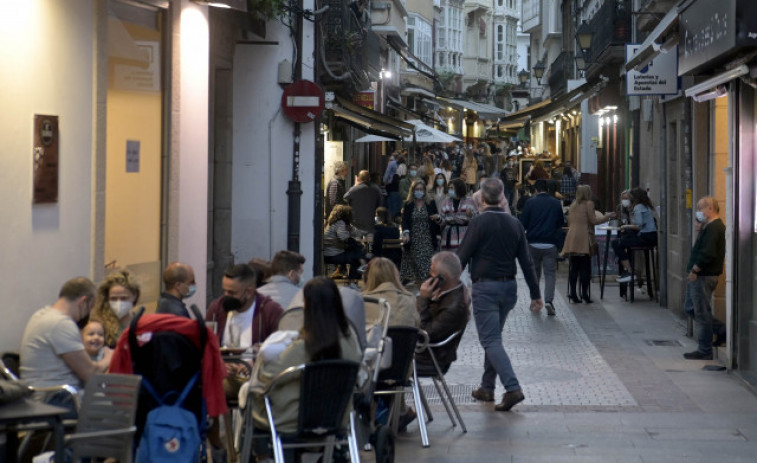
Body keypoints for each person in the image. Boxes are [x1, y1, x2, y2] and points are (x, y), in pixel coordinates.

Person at [248, 277, 362, 460]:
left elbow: (269, 376)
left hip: (292, 420)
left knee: (249, 396)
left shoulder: (302, 347)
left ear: (306, 305)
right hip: (336, 418)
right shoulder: (351, 343)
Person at [456, 178, 543, 411]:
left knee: (490, 340)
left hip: (486, 288)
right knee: (494, 337)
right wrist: (536, 294)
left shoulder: (478, 223)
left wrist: (445, 283)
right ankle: (487, 387)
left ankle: (512, 388)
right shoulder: (514, 224)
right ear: (502, 196)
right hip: (509, 289)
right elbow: (527, 262)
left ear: (481, 198)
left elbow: (462, 256)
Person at [205, 263, 284, 460]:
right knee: (207, 387)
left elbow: (282, 348)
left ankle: (256, 450)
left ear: (249, 291)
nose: (226, 296)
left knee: (254, 393)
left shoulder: (270, 311)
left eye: (232, 292)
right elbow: (206, 347)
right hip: (224, 377)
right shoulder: (217, 309)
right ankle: (219, 447)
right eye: (224, 290)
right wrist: (221, 366)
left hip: (258, 378)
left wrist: (256, 361)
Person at [20, 277, 112, 392]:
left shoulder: (40, 315)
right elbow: (90, 374)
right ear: (83, 302)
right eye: (91, 307)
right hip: (56, 397)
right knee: (117, 404)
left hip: (37, 392)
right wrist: (109, 358)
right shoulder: (61, 324)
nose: (88, 313)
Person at [683, 197, 726, 360]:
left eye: (701, 208)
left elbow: (708, 253)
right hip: (699, 275)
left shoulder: (715, 227)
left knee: (701, 312)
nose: (698, 211)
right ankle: (721, 330)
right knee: (690, 308)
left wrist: (695, 269)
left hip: (703, 275)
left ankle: (704, 349)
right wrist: (699, 229)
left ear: (710, 208)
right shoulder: (708, 227)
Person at [415, 252, 470, 375]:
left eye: (432, 270)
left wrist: (423, 298)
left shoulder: (454, 306)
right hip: (425, 352)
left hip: (430, 358)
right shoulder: (446, 292)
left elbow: (423, 334)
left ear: (442, 277)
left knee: (380, 362)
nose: (429, 275)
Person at [561, 185, 615, 303]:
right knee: (585, 267)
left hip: (572, 236)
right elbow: (594, 221)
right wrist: (607, 216)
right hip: (584, 236)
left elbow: (570, 221)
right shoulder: (589, 204)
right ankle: (584, 294)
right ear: (587, 193)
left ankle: (573, 293)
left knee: (574, 266)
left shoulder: (573, 204)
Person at [519, 179, 565, 316]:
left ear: (536, 190)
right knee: (550, 274)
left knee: (535, 274)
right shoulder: (556, 203)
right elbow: (560, 223)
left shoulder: (530, 202)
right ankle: (549, 301)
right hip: (550, 244)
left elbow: (523, 223)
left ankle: (535, 300)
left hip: (533, 243)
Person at [400, 180, 442, 285]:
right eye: (417, 189)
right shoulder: (408, 204)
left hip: (427, 239)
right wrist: (406, 233)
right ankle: (422, 291)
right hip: (413, 240)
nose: (419, 191)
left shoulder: (430, 203)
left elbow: (437, 220)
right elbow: (404, 220)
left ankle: (426, 290)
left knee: (426, 267)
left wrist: (437, 219)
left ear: (424, 191)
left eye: (421, 189)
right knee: (417, 269)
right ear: (413, 191)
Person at [613, 187, 658, 283]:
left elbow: (638, 225)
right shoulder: (644, 206)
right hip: (650, 237)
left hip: (646, 237)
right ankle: (627, 269)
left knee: (616, 243)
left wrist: (626, 225)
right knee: (624, 238)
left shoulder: (638, 207)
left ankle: (629, 271)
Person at [362, 257, 419, 329]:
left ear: (368, 277)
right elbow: (417, 326)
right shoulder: (410, 299)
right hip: (404, 340)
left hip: (375, 339)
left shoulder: (362, 301)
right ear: (395, 275)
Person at [90, 269, 141, 347]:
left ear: (134, 296)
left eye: (124, 298)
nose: (119, 303)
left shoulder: (140, 323)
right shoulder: (99, 325)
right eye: (113, 299)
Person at [323, 204, 365, 280]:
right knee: (356, 256)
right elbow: (344, 238)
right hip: (333, 255)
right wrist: (357, 244)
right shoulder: (340, 223)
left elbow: (358, 233)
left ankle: (361, 263)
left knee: (357, 249)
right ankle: (354, 279)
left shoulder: (332, 223)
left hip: (329, 253)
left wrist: (351, 229)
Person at [439, 178, 477, 251]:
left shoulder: (470, 201)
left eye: (452, 188)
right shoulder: (446, 202)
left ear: (459, 188)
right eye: (449, 188)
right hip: (449, 237)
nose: (450, 190)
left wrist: (470, 216)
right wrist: (438, 219)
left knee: (463, 259)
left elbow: (477, 220)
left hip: (465, 236)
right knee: (449, 260)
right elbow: (442, 220)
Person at [344, 170, 382, 241]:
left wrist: (355, 185)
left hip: (356, 223)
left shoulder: (354, 189)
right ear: (369, 178)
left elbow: (345, 198)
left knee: (357, 244)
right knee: (370, 244)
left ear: (358, 178)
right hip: (370, 223)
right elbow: (380, 205)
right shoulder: (376, 189)